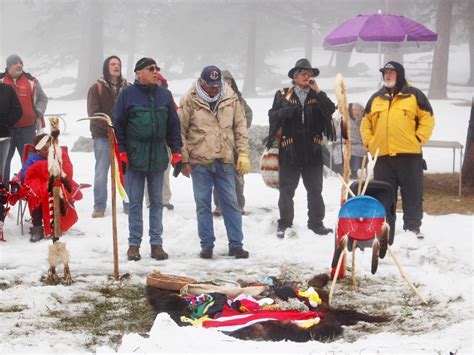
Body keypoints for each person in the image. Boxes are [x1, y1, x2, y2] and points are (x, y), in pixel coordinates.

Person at [113, 57, 182, 261]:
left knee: (157, 202)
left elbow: (173, 126)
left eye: (157, 68)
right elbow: (117, 124)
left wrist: (176, 151)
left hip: (158, 154)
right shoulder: (127, 94)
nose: (155, 72)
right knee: (135, 202)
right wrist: (123, 152)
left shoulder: (164, 95)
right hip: (135, 155)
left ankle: (156, 244)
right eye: (151, 69)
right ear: (138, 73)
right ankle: (134, 244)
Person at [178, 65, 250, 259]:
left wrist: (243, 154)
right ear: (201, 82)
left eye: (216, 85)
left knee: (231, 203)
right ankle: (206, 245)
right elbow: (180, 131)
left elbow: (240, 127)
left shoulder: (231, 98)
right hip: (199, 161)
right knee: (203, 204)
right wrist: (184, 159)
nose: (214, 89)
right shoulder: (189, 99)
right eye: (210, 86)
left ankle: (236, 244)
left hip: (225, 159)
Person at [360, 61, 434, 239]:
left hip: (409, 155)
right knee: (385, 194)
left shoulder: (414, 95)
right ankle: (386, 228)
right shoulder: (376, 98)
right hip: (382, 156)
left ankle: (412, 227)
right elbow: (365, 124)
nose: (387, 75)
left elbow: (428, 119)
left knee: (412, 193)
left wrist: (417, 139)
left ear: (399, 74)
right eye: (385, 72)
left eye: (391, 72)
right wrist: (370, 144)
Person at [266, 58, 336, 239]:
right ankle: (285, 224)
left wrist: (318, 91)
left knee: (315, 190)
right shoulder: (283, 95)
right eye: (304, 73)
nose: (307, 76)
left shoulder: (317, 95)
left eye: (310, 73)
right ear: (295, 77)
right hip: (290, 149)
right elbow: (272, 117)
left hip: (312, 150)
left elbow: (330, 110)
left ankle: (316, 224)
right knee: (287, 190)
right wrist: (285, 112)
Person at [19, 133, 83, 242]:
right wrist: (36, 169)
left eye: (49, 147)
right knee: (36, 197)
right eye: (43, 148)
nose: (47, 150)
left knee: (58, 193)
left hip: (55, 184)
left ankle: (57, 224)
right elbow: (24, 174)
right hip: (37, 185)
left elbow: (66, 171)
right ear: (37, 149)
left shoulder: (57, 156)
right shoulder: (33, 158)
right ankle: (37, 227)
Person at [87, 55, 129, 218]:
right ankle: (99, 206)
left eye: (118, 63)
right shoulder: (96, 88)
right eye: (112, 64)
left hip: (123, 137)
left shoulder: (127, 87)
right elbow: (93, 113)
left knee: (124, 171)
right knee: (101, 172)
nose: (116, 66)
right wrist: (109, 128)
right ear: (106, 67)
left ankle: (128, 203)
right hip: (102, 136)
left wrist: (123, 129)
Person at [0, 54, 48, 184]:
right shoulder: (1, 81)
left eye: (21, 63)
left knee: (28, 161)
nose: (19, 65)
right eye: (16, 63)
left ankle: (29, 189)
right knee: (3, 161)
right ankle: (3, 192)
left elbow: (43, 99)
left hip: (27, 128)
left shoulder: (31, 81)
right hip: (6, 130)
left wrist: (37, 112)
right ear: (9, 66)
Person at [213, 69, 253, 216]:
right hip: (219, 143)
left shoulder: (239, 100)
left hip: (236, 143)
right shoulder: (213, 98)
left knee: (238, 175)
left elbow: (248, 114)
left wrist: (240, 128)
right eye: (224, 82)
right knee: (217, 173)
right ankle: (219, 205)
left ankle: (239, 204)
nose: (226, 84)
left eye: (229, 82)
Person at [0, 82, 22, 180]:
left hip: (3, 136)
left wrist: (5, 122)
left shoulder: (7, 89)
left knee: (2, 168)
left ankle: (3, 192)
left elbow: (18, 111)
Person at [347, 102, 367, 179]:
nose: (356, 112)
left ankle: (354, 171)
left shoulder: (364, 120)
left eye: (358, 110)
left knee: (355, 150)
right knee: (348, 150)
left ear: (362, 111)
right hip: (348, 143)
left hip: (361, 144)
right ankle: (350, 171)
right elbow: (340, 134)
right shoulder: (347, 120)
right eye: (354, 110)